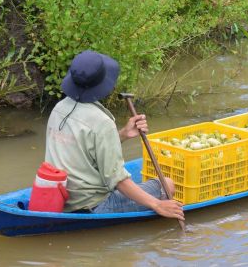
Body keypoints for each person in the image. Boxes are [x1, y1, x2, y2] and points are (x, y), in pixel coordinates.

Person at [45, 50, 184, 220]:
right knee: (167, 184)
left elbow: (84, 148)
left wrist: (124, 134)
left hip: (59, 197)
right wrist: (157, 204)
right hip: (92, 205)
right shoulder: (102, 122)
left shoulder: (59, 108)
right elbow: (118, 181)